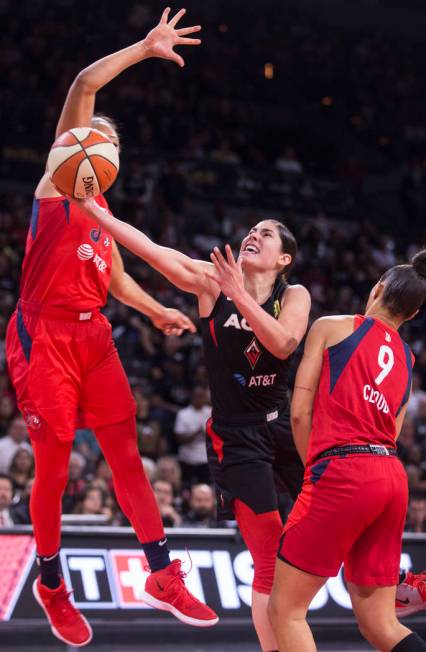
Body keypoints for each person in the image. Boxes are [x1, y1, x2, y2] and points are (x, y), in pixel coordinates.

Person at [5, 8, 218, 647]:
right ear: (71, 148)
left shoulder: (101, 216)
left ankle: (161, 573)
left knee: (129, 455)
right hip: (44, 337)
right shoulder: (55, 185)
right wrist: (145, 48)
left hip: (94, 336)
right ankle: (50, 584)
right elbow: (82, 87)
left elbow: (118, 279)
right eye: (88, 137)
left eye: (108, 141)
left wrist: (154, 310)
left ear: (115, 159)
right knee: (56, 469)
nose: (96, 144)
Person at [75, 198, 311, 652]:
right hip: (237, 436)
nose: (254, 235)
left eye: (267, 233)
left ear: (284, 259)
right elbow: (149, 249)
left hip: (283, 427)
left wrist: (240, 292)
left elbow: (282, 344)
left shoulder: (293, 295)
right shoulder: (210, 281)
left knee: (332, 515)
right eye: (252, 229)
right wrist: (96, 213)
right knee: (267, 557)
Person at [268, 251, 426, 652]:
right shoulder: (409, 359)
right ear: (412, 314)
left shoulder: (332, 327)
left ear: (376, 289)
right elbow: (393, 431)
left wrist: (313, 473)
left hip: (343, 471)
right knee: (380, 624)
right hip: (390, 477)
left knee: (285, 610)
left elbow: (299, 413)